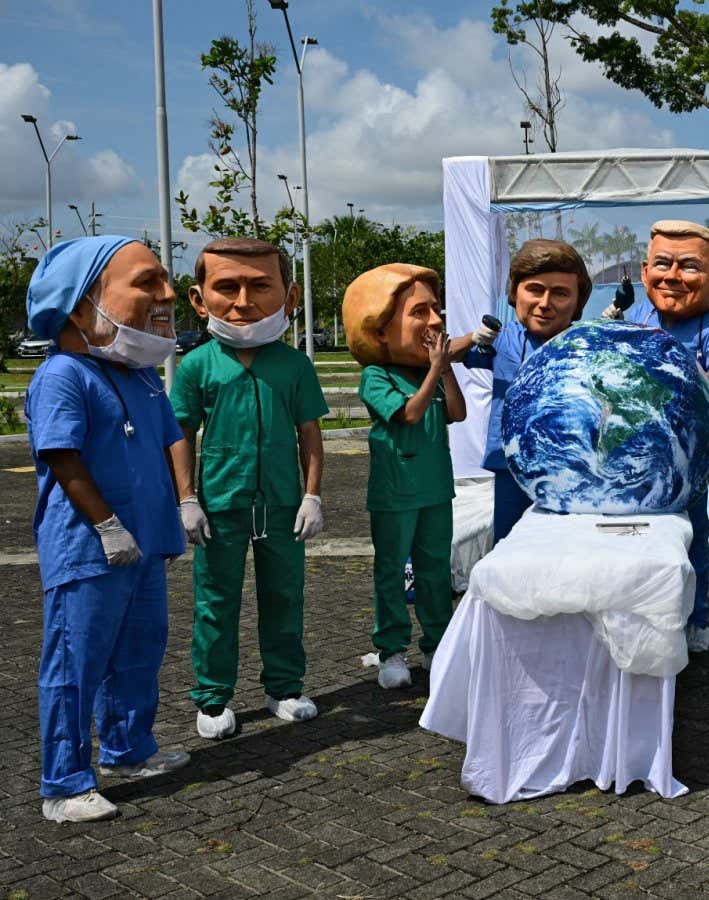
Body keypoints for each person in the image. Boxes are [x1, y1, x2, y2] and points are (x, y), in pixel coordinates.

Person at [24, 236, 192, 821]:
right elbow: (62, 457)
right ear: (78, 306)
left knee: (139, 652)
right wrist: (108, 526)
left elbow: (172, 437)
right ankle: (64, 783)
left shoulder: (140, 376)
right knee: (77, 662)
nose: (166, 294)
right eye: (147, 281)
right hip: (91, 549)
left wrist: (183, 504)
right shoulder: (63, 374)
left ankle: (127, 749)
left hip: (145, 543)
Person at [171, 237, 329, 740]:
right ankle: (213, 697)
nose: (243, 301)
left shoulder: (294, 364)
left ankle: (284, 687)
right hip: (220, 505)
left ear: (290, 295)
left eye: (260, 285)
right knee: (216, 602)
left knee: (285, 596)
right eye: (227, 286)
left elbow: (310, 435)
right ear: (199, 299)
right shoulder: (197, 366)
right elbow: (180, 434)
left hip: (282, 505)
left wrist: (312, 494)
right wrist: (187, 499)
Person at [606, 220, 709, 655]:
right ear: (644, 272)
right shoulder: (637, 318)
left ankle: (696, 617)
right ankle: (636, 613)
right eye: (662, 264)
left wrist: (680, 368)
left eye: (688, 267)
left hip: (688, 455)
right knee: (631, 539)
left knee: (691, 539)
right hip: (633, 453)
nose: (672, 277)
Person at [345, 264, 468, 689]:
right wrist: (436, 367)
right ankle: (391, 648)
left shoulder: (430, 372)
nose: (436, 321)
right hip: (396, 493)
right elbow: (410, 414)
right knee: (392, 571)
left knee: (436, 571)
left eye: (437, 310)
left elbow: (457, 412)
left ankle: (437, 643)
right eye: (421, 312)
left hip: (435, 489)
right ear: (380, 330)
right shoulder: (375, 376)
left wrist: (445, 366)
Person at [452, 239, 588, 543]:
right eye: (535, 290)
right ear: (515, 292)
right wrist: (474, 337)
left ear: (578, 302)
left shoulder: (586, 344)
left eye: (561, 293)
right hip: (510, 463)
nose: (545, 303)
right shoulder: (504, 338)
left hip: (569, 465)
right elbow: (445, 354)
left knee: (564, 543)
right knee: (509, 542)